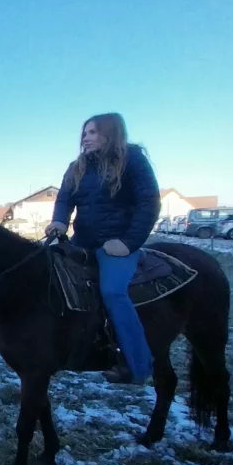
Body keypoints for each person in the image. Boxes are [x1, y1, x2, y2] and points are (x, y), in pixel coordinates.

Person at [45, 112, 161, 385]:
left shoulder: (133, 161)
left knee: (112, 292)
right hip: (81, 241)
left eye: (93, 132)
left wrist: (128, 243)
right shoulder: (76, 167)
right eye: (84, 133)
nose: (86, 137)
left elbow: (148, 203)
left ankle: (138, 365)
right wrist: (59, 222)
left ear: (112, 132)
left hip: (118, 244)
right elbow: (64, 199)